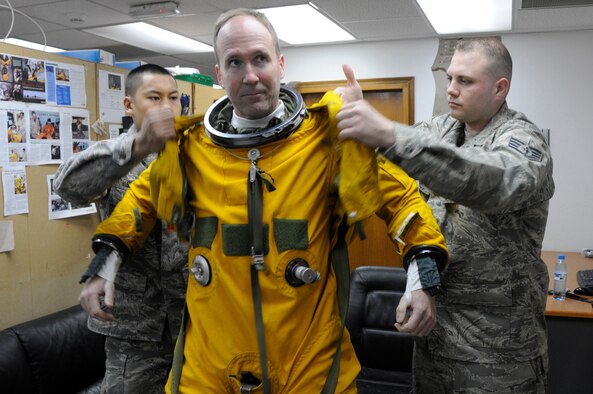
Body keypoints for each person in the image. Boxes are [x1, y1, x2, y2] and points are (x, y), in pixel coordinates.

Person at [86, 8, 448, 393]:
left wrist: (419, 280)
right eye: (235, 63)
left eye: (260, 59)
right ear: (220, 75)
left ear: (280, 63)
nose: (251, 75)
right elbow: (138, 204)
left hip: (309, 363)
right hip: (210, 363)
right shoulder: (190, 151)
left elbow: (404, 199)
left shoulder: (329, 142)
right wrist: (105, 264)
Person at [336, 37, 555, 392]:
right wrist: (420, 282)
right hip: (433, 346)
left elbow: (488, 181)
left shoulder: (524, 141)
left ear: (500, 89)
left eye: (465, 81)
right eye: (450, 78)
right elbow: (421, 218)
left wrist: (389, 134)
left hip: (498, 355)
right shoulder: (439, 131)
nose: (451, 90)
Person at [53, 64, 189, 393]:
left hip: (194, 321)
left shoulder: (193, 155)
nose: (167, 107)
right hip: (135, 331)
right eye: (154, 97)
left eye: (173, 98)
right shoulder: (115, 157)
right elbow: (67, 186)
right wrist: (137, 148)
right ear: (129, 105)